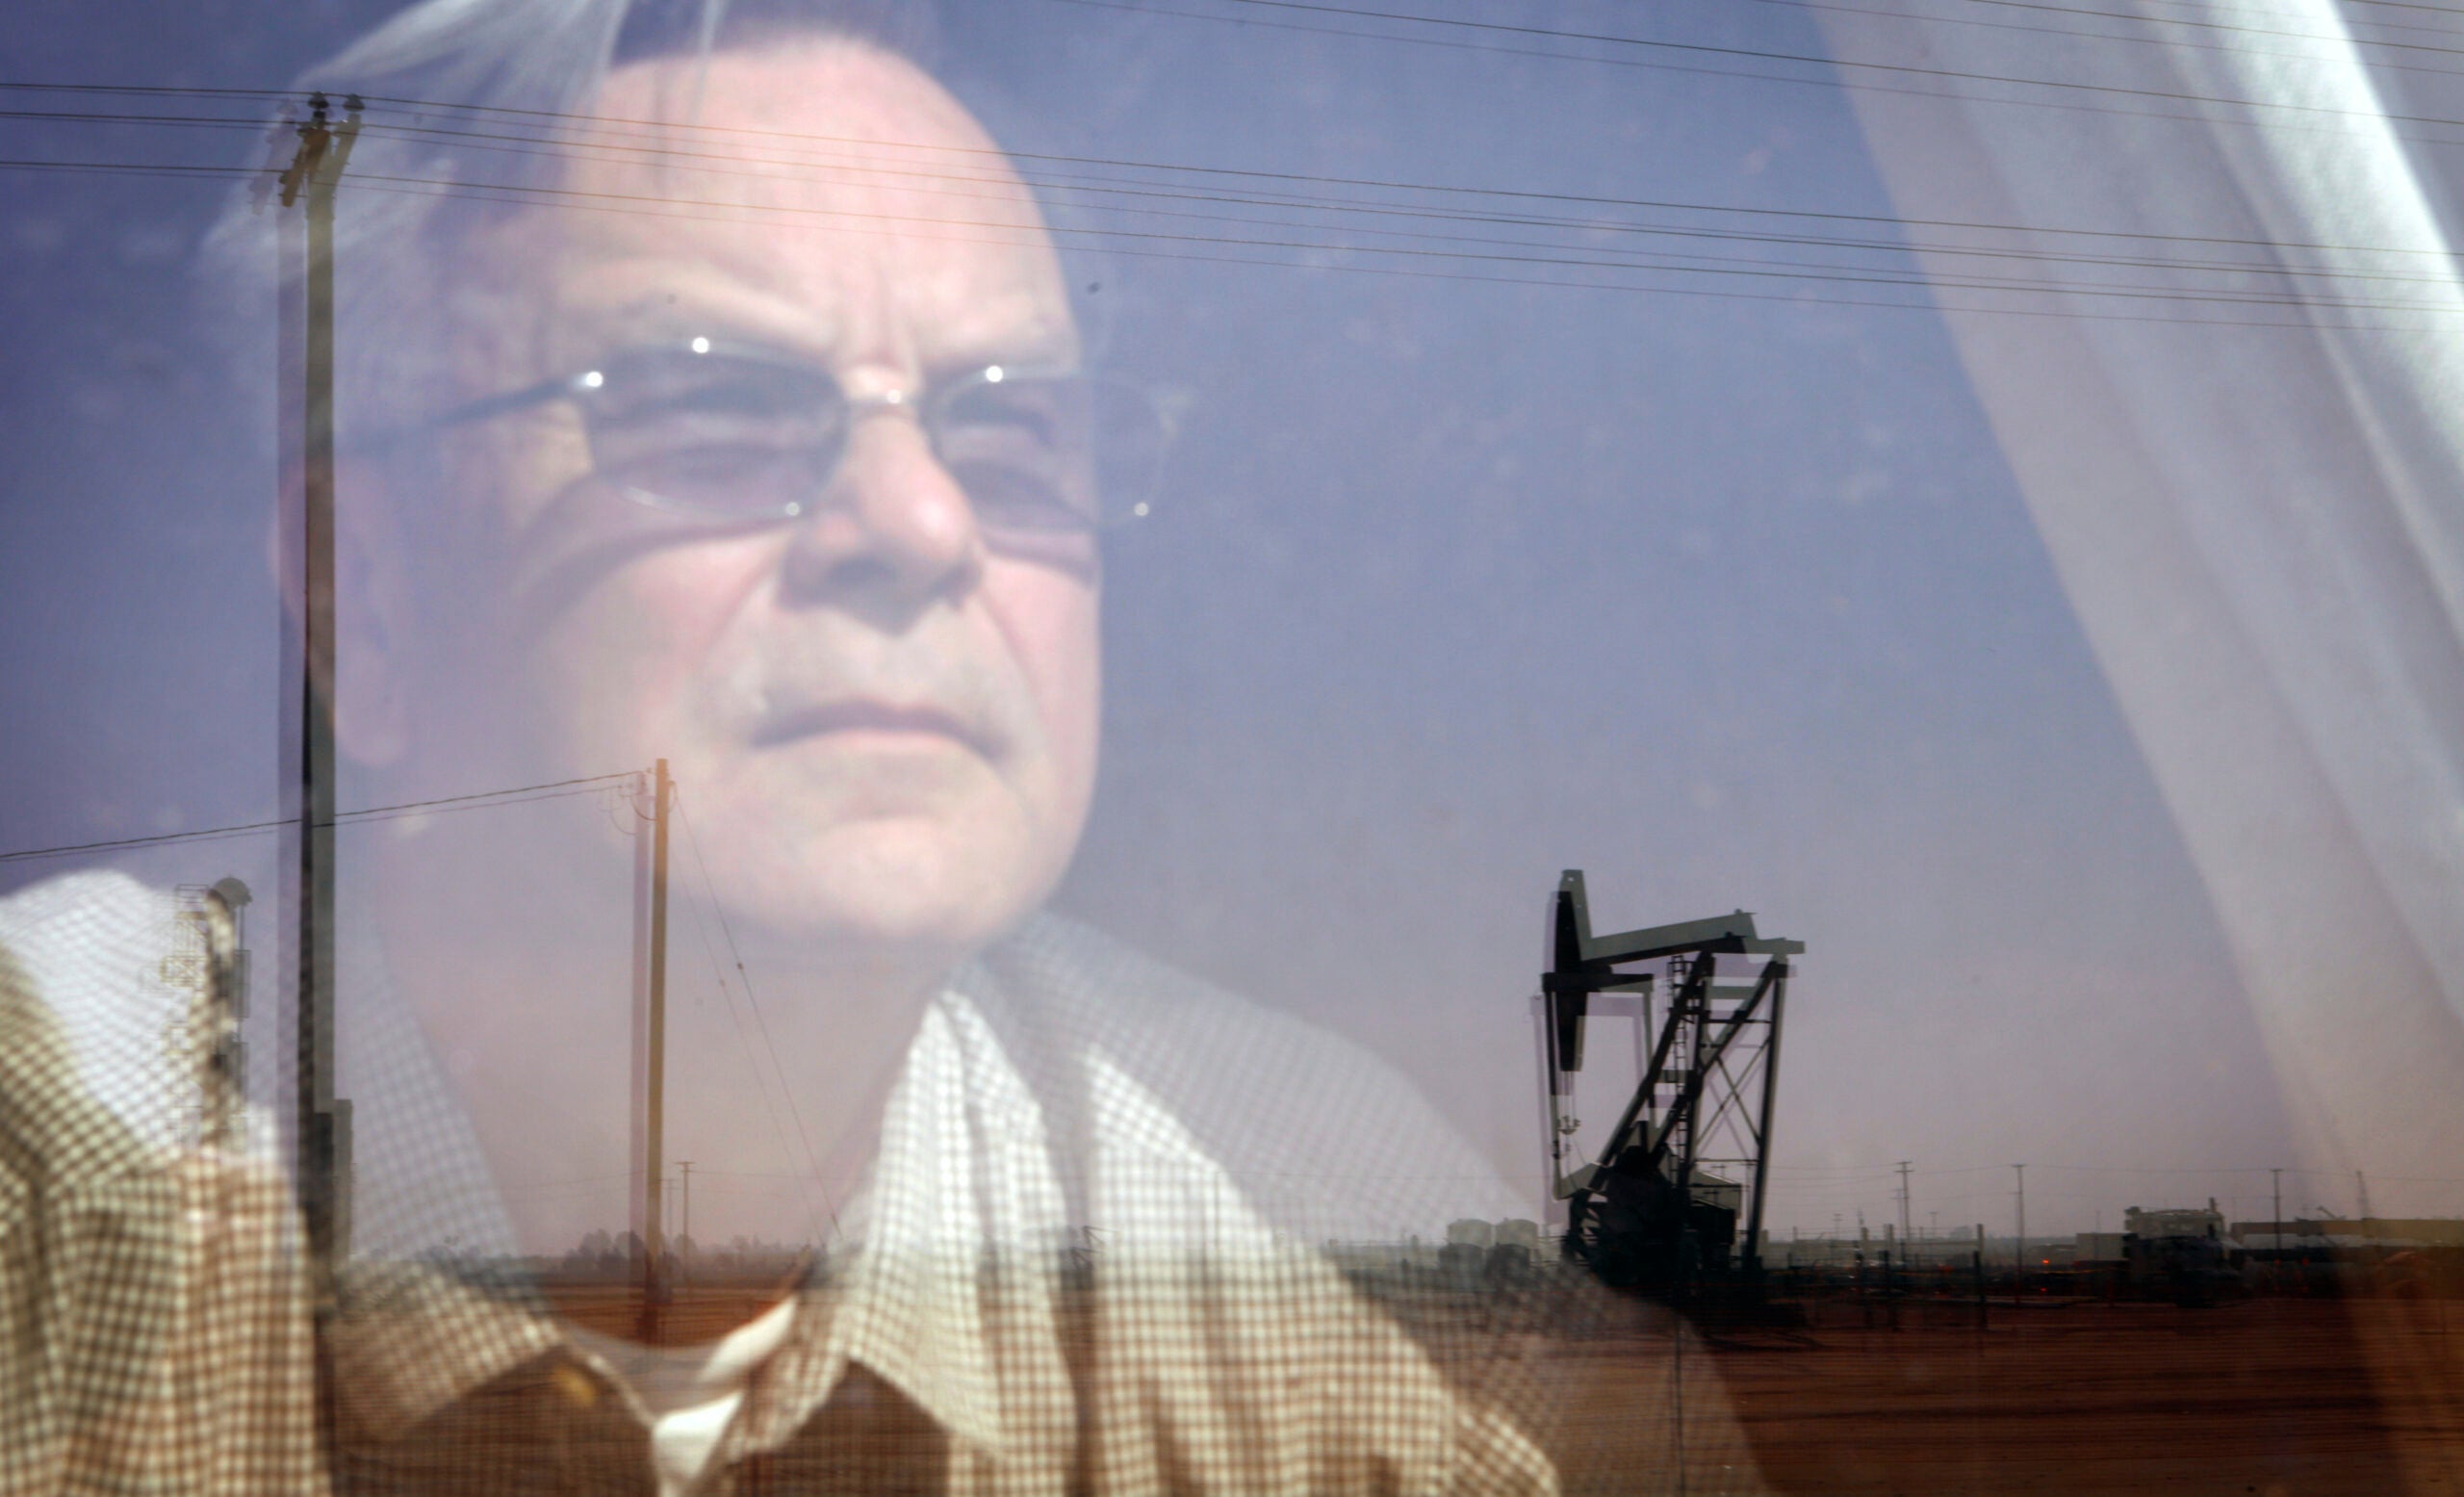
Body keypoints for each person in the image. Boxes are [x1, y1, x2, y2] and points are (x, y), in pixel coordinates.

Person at [0, 2, 1762, 1491]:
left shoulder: (1373, 1313)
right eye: (704, 402)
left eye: (1012, 437)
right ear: (359, 600)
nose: (922, 521)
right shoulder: (51, 1182)